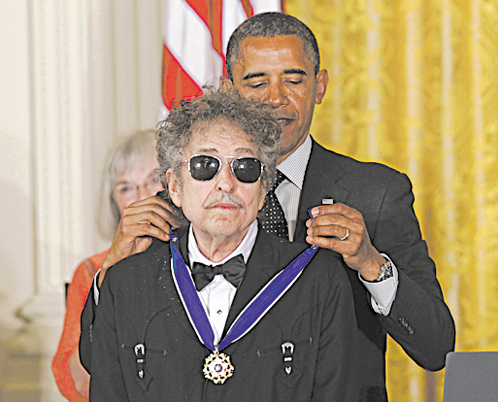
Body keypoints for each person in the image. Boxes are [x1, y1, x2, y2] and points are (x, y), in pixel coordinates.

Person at [81, 12, 455, 401]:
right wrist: (114, 261)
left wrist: (371, 264)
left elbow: (436, 347)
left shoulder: (376, 193)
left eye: (293, 80)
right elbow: (104, 359)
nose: (276, 98)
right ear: (227, 89)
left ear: (320, 85)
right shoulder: (180, 205)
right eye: (256, 81)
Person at [87, 89, 359, 401]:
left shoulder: (318, 281)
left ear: (262, 189)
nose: (226, 183)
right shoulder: (125, 284)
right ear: (175, 186)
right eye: (206, 165)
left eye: (244, 167)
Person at [52, 130, 163, 401]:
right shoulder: (91, 270)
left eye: (154, 180)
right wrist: (114, 271)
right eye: (126, 188)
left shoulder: (209, 257)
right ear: (114, 202)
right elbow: (78, 381)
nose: (142, 196)